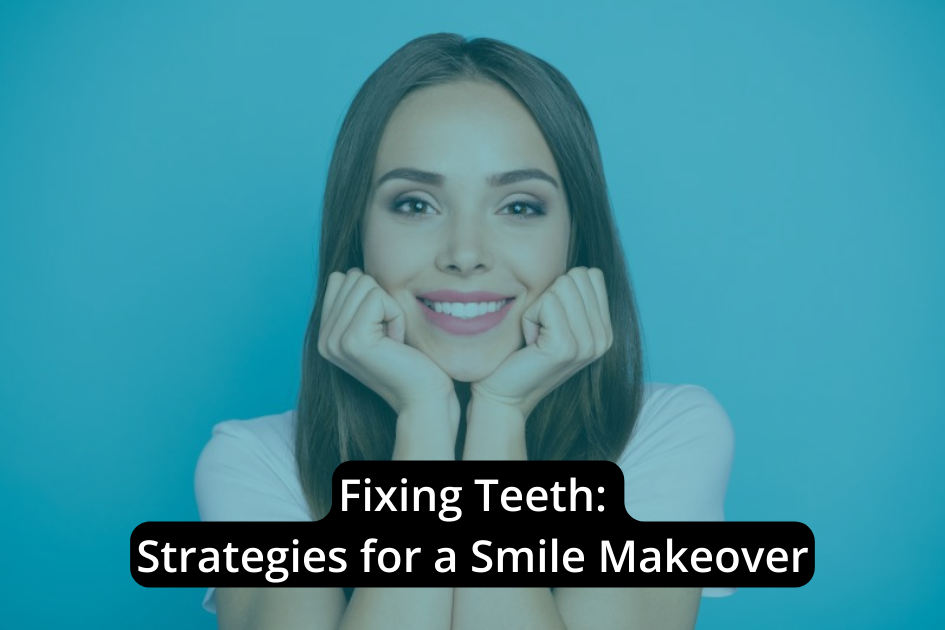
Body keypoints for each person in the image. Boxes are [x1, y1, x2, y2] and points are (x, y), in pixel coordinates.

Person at [195, 33, 735, 629]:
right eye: (416, 204)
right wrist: (423, 420)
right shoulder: (258, 465)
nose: (465, 252)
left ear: (575, 239)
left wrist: (500, 416)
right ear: (358, 233)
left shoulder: (664, 438)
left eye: (520, 206)